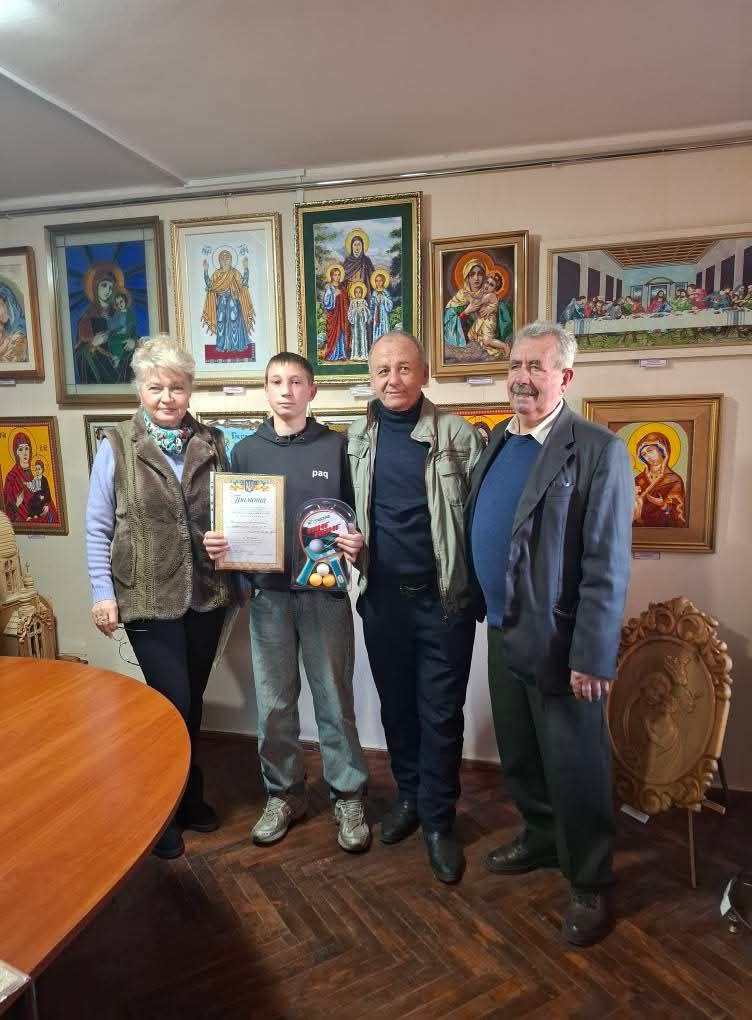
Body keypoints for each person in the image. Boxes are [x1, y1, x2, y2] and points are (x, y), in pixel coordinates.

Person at [466, 321, 633, 946]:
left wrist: (593, 655)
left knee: (576, 764)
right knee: (520, 751)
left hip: (562, 644)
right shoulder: (498, 440)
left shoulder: (597, 449)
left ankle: (589, 879)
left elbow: (606, 564)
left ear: (565, 377)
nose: (522, 377)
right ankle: (540, 836)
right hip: (502, 627)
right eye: (515, 365)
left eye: (536, 366)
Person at [203, 353, 371, 853]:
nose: (286, 390)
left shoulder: (337, 447)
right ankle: (284, 794)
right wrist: (221, 545)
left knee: (334, 699)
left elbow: (355, 517)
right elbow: (232, 523)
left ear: (312, 391)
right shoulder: (245, 451)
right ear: (266, 388)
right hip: (268, 598)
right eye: (276, 381)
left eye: (296, 381)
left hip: (325, 596)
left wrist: (356, 541)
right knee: (274, 704)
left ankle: (348, 794)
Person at [86, 336, 235, 860]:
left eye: (176, 387)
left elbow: (229, 513)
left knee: (192, 702)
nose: (167, 398)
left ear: (189, 389)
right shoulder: (116, 445)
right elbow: (98, 527)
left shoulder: (213, 442)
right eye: (156, 388)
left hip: (206, 596)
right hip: (146, 597)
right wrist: (103, 593)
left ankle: (189, 797)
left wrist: (226, 541)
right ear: (140, 390)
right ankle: (162, 814)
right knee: (169, 704)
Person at [347, 331, 483, 883]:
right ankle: (408, 795)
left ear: (424, 374)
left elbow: (481, 520)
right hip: (382, 601)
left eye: (404, 368)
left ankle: (438, 819)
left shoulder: (458, 436)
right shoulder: (356, 438)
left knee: (441, 713)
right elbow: (338, 512)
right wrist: (346, 542)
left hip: (442, 601)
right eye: (383, 370)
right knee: (397, 707)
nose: (393, 380)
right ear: (371, 378)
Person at [201, 249, 256, 357]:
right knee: (220, 322)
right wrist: (206, 271)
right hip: (221, 303)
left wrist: (246, 268)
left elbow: (244, 283)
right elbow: (210, 286)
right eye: (223, 258)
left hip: (233, 302)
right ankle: (222, 346)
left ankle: (235, 347)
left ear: (231, 260)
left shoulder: (235, 273)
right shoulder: (216, 274)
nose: (225, 261)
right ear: (219, 261)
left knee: (233, 320)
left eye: (228, 258)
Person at [633, 431, 686, 527]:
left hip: (664, 530)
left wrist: (663, 505)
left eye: (650, 451)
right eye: (644, 454)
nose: (648, 456)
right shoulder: (638, 480)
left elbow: (678, 513)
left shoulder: (673, 479)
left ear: (662, 450)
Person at [321, 264, 350, 361]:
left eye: (338, 275)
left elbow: (346, 301)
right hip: (333, 315)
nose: (337, 277)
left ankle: (342, 354)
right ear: (331, 276)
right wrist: (334, 295)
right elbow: (326, 302)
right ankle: (332, 355)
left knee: (341, 333)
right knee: (333, 334)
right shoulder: (329, 288)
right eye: (335, 275)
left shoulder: (342, 288)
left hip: (342, 315)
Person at [0, 283, 28, 363]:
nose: (5, 308)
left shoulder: (18, 338)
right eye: (0, 305)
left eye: (4, 303)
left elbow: (16, 361)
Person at [347, 281, 371, 360]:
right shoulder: (352, 302)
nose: (358, 294)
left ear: (362, 293)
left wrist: (363, 309)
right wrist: (355, 310)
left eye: (360, 292)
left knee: (362, 337)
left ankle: (363, 355)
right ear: (354, 293)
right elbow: (349, 313)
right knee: (356, 338)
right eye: (356, 292)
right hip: (355, 324)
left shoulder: (364, 301)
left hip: (361, 323)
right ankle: (356, 355)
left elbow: (368, 312)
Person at [369, 269, 393, 346]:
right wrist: (371, 316)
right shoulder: (374, 293)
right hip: (376, 317)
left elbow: (390, 306)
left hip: (384, 316)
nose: (378, 283)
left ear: (384, 281)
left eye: (380, 281)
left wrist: (384, 299)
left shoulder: (385, 292)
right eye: (376, 281)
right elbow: (372, 306)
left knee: (384, 331)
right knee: (377, 332)